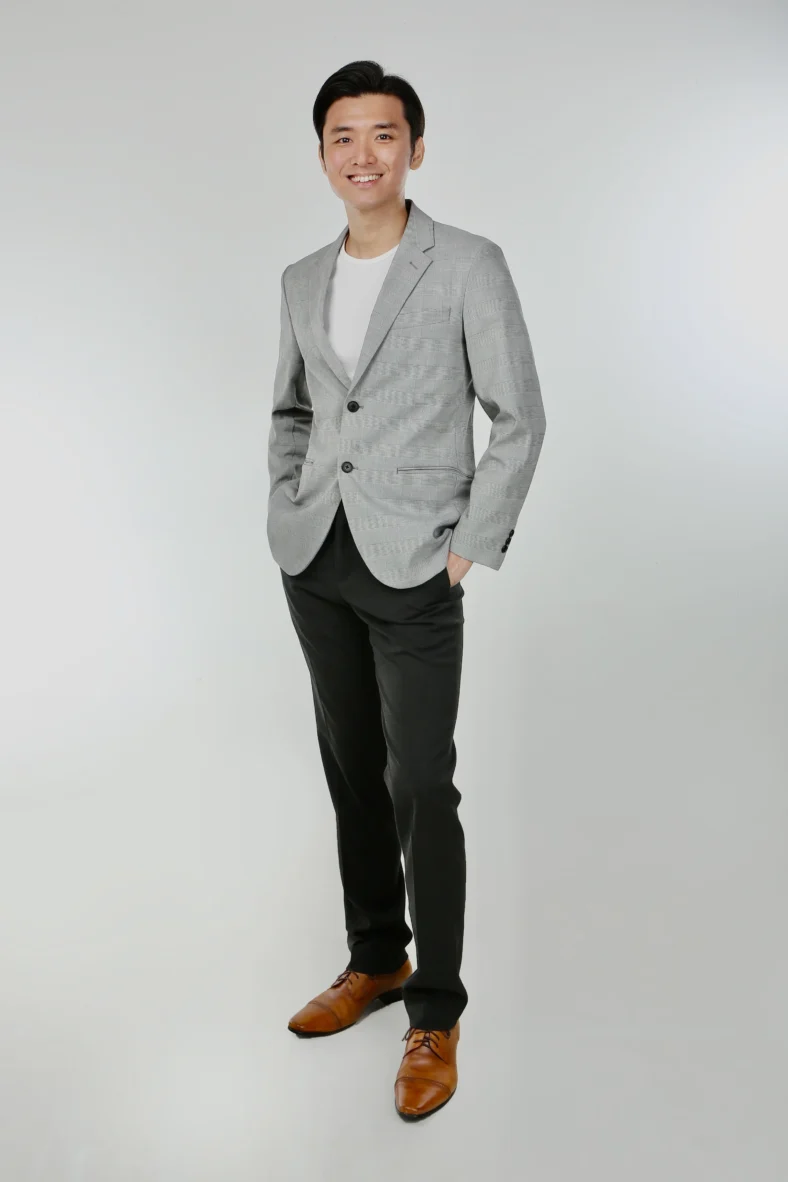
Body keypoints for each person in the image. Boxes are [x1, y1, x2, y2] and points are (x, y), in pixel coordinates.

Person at [267, 59, 547, 1121]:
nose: (363, 154)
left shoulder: (468, 264)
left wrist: (468, 547)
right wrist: (286, 509)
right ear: (322, 155)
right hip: (317, 559)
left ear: (414, 149)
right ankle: (376, 958)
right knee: (352, 771)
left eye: (382, 134)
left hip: (418, 560)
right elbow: (293, 412)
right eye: (342, 136)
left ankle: (436, 1013)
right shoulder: (301, 278)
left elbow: (519, 415)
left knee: (420, 781)